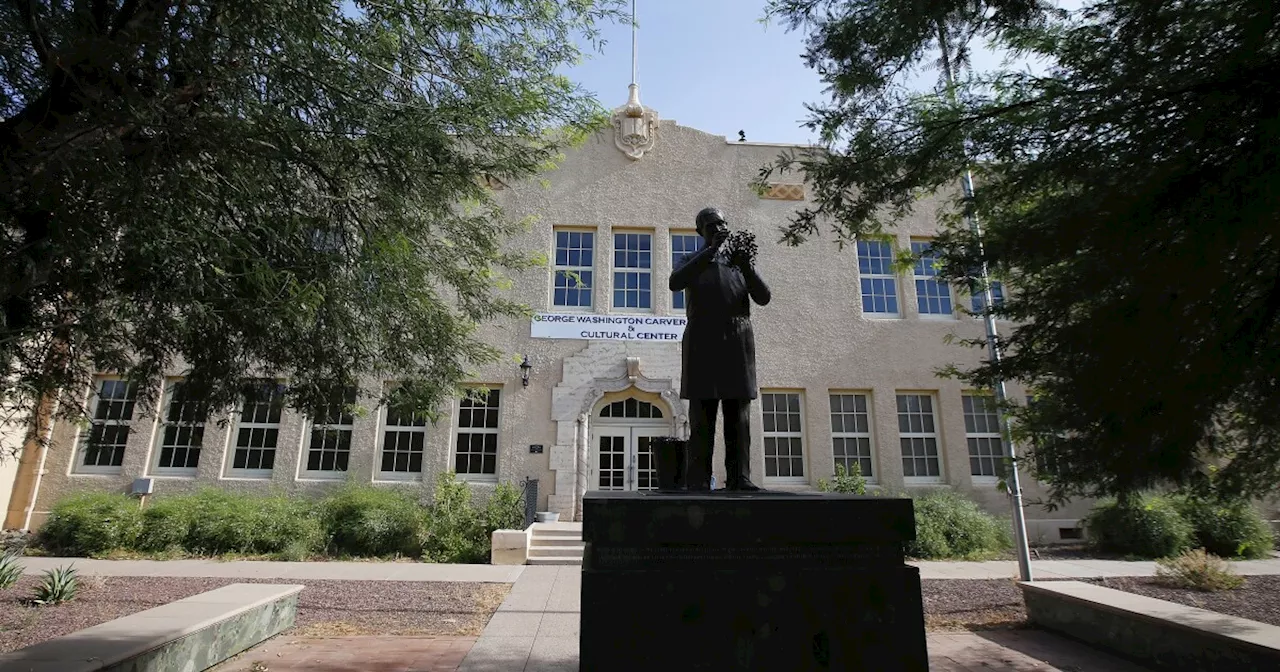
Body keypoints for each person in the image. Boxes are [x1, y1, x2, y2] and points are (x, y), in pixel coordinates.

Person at [669, 207, 772, 491]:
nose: (718, 228)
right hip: (702, 340)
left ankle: (740, 477)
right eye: (711, 225)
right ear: (699, 231)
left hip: (737, 339)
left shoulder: (737, 263)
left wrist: (748, 266)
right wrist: (709, 252)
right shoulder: (692, 260)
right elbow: (674, 283)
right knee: (702, 415)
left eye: (722, 224)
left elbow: (763, 297)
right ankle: (698, 480)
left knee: (738, 415)